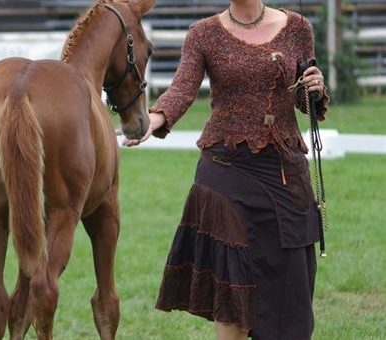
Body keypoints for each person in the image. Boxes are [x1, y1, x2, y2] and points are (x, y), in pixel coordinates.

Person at [124, 0, 329, 339]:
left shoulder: (297, 28)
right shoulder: (203, 34)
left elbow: (303, 99)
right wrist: (155, 119)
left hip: (284, 175)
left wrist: (315, 89)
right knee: (233, 291)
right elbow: (183, 88)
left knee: (293, 295)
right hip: (225, 173)